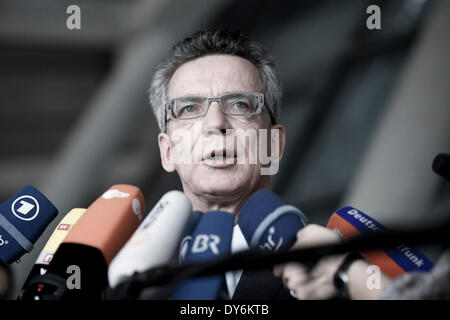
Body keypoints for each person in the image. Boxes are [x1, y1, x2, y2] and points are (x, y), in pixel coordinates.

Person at [148, 29, 293, 299]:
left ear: (274, 144)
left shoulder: (329, 271)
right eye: (189, 109)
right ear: (167, 151)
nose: (216, 124)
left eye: (239, 104)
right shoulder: (121, 279)